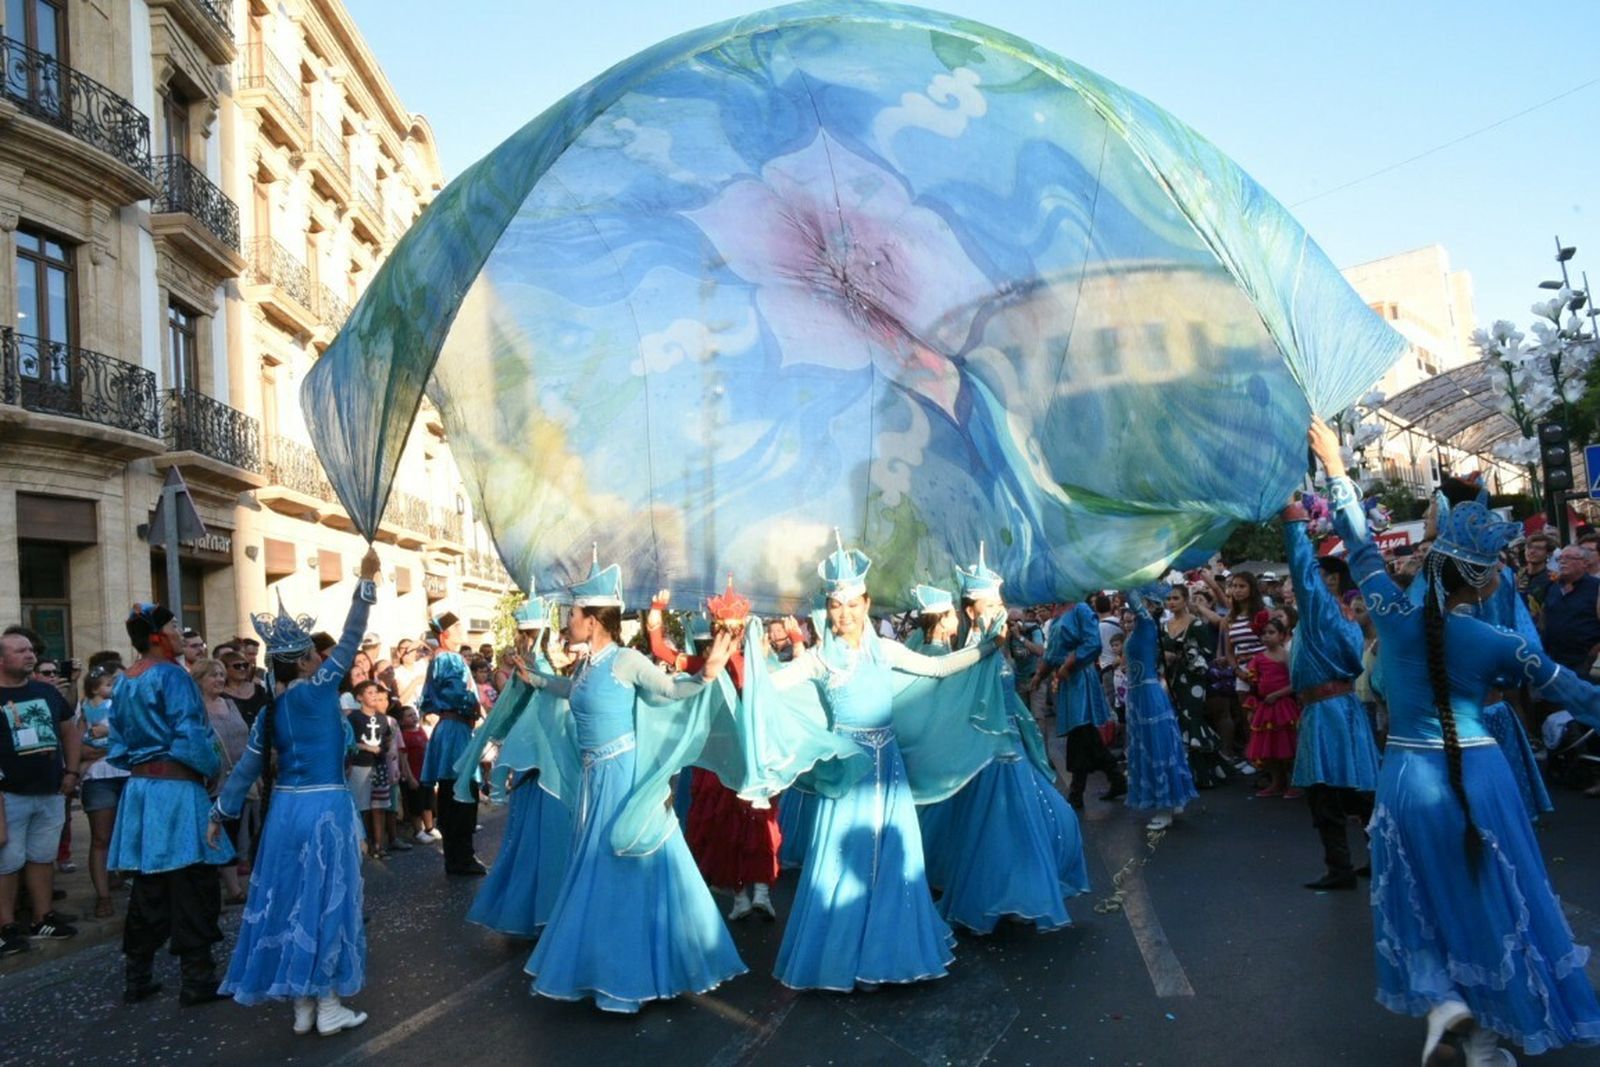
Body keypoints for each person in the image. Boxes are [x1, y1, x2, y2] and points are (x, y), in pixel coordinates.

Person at [1311, 417, 1600, 1064]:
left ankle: (1444, 998)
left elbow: (1359, 546)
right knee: (1491, 899)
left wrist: (1335, 466)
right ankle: (1487, 1042)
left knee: (1419, 892)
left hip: (1405, 777)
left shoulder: (1391, 611)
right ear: (1485, 579)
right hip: (1479, 777)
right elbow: (1580, 695)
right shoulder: (1500, 642)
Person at [762, 536, 1006, 990]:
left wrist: (987, 648)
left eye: (853, 604)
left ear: (867, 604)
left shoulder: (886, 651)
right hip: (849, 775)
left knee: (893, 858)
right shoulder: (819, 659)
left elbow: (939, 669)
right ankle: (844, 957)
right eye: (836, 605)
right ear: (828, 609)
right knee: (843, 861)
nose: (844, 614)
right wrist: (733, 665)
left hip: (889, 771)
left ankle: (886, 953)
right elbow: (769, 689)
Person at [515, 551, 745, 1012]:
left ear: (593, 620)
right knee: (597, 874)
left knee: (620, 874)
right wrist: (537, 680)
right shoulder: (586, 665)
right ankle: (601, 970)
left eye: (572, 614)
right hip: (593, 781)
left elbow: (671, 690)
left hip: (622, 779)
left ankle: (627, 981)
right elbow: (570, 690)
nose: (567, 621)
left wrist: (707, 674)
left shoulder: (626, 660)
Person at [209, 546, 381, 1036]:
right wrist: (366, 581)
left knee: (291, 902)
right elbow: (351, 637)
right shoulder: (319, 688)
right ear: (306, 660)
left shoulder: (269, 710)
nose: (321, 659)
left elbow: (245, 770)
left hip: (285, 812)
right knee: (328, 901)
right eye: (314, 654)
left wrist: (218, 814)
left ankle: (303, 1005)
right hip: (325, 808)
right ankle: (327, 1003)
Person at [913, 549, 1090, 934]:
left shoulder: (997, 646)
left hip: (1013, 752)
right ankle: (997, 897)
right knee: (997, 831)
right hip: (987, 759)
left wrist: (1029, 734)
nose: (999, 610)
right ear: (971, 610)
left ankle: (1016, 894)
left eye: (1000, 603)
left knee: (1045, 821)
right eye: (990, 604)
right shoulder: (971, 653)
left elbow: (1011, 703)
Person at [106, 604, 233, 1005]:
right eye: (174, 626)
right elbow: (190, 733)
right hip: (177, 790)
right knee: (192, 882)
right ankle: (197, 979)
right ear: (157, 636)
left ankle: (137, 975)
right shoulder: (173, 676)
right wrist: (210, 767)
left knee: (150, 884)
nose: (180, 632)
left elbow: (117, 744)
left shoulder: (126, 679)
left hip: (142, 790)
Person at [647, 580, 780, 922]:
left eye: (731, 631)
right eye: (722, 630)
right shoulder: (707, 664)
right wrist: (656, 613)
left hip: (747, 755)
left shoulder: (752, 665)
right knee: (731, 825)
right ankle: (742, 895)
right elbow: (660, 650)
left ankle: (759, 892)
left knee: (755, 823)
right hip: (721, 759)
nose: (727, 636)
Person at [1277, 505, 1381, 890]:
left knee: (1327, 792)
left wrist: (1292, 522)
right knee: (1355, 789)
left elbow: (1301, 569)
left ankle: (1342, 867)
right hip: (1338, 708)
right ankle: (1377, 857)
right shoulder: (1340, 615)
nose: (1302, 583)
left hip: (1327, 711)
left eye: (1318, 575)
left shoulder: (1322, 611)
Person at [460, 596, 572, 938]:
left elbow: (512, 717)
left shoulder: (528, 666)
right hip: (546, 766)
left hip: (532, 764)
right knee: (548, 841)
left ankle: (524, 912)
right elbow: (544, 719)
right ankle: (546, 914)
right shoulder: (537, 667)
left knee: (527, 840)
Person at [0, 630, 80, 956]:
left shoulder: (45, 692)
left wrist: (71, 772)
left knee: (42, 856)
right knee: (7, 862)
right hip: (9, 795)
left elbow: (69, 732)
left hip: (50, 790)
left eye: (30, 650)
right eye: (20, 651)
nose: (30, 655)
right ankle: (5, 927)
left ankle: (42, 917)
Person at [1122, 584, 1199, 831]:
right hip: (1139, 694)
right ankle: (1173, 800)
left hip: (1147, 694)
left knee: (1156, 746)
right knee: (1152, 744)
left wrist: (1124, 579)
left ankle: (1166, 806)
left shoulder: (1146, 622)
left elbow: (1131, 598)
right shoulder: (1141, 626)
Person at [1039, 596, 1126, 808]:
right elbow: (1053, 651)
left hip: (1080, 678)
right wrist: (1040, 675)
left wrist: (1070, 664)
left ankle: (1079, 791)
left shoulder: (1080, 609)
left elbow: (1093, 643)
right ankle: (1112, 779)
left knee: (1081, 730)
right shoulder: (1058, 611)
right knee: (1082, 733)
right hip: (1068, 680)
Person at [418, 609, 487, 876]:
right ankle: (462, 856)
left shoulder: (441, 658)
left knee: (451, 791)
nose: (462, 630)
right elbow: (456, 693)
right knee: (461, 789)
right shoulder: (450, 658)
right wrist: (475, 710)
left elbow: (427, 700)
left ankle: (456, 856)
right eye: (457, 627)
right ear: (444, 634)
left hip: (451, 728)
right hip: (456, 728)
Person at [1156, 585, 1230, 788]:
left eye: (1175, 598)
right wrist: (1164, 659)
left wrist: (1181, 655)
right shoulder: (1164, 625)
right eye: (1168, 599)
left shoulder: (1196, 624)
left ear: (1185, 600)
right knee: (1178, 721)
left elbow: (1207, 652)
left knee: (1192, 719)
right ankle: (1188, 773)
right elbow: (1158, 651)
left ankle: (1203, 774)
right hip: (1171, 680)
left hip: (1193, 680)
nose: (1171, 602)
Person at [192, 658, 249, 905]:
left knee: (233, 832)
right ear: (199, 680)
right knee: (217, 833)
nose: (219, 679)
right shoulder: (194, 709)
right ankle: (228, 889)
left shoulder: (230, 704)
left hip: (238, 779)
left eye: (221, 674)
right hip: (211, 781)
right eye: (213, 675)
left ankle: (232, 887)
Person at [78, 664, 128, 918]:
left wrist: (110, 737)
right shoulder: (84, 708)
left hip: (128, 774)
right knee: (100, 837)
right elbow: (80, 746)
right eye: (110, 683)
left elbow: (135, 738)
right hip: (98, 778)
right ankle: (103, 896)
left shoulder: (125, 705)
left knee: (130, 833)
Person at [1241, 618, 1300, 797]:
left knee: (1288, 747)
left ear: (1282, 635)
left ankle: (1295, 783)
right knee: (1269, 748)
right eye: (1264, 633)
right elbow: (1254, 686)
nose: (1266, 636)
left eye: (1271, 632)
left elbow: (1296, 683)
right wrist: (1252, 708)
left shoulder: (1287, 656)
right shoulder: (1258, 659)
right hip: (1265, 707)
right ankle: (1277, 782)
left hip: (1284, 707)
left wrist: (1278, 694)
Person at [347, 680, 395, 859]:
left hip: (379, 765)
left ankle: (379, 845)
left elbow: (387, 739)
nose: (374, 696)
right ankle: (362, 842)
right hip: (360, 765)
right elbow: (349, 742)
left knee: (379, 806)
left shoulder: (382, 718)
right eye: (370, 693)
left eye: (376, 692)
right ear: (359, 697)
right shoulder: (354, 718)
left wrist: (386, 751)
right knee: (362, 806)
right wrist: (367, 747)